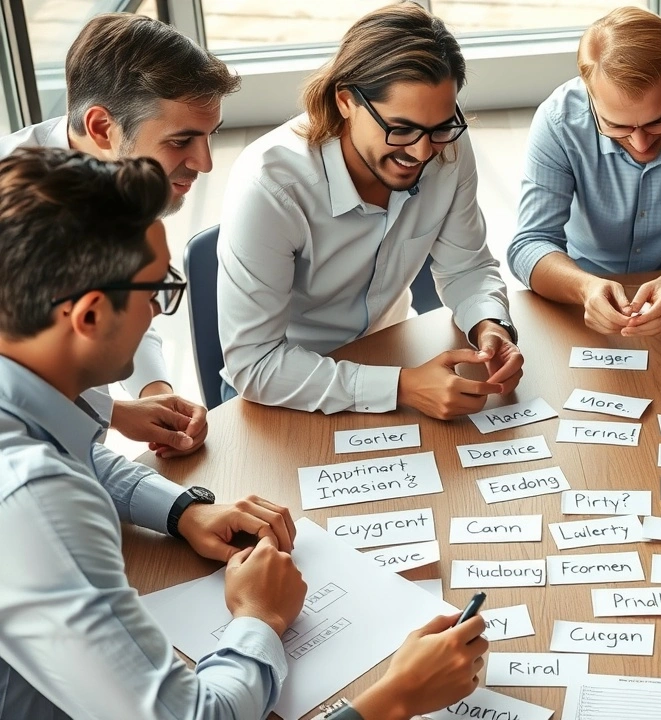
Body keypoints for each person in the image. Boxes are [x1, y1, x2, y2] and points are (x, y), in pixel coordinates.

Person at [0, 147, 492, 719]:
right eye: (156, 292)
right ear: (87, 317)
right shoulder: (38, 501)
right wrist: (273, 626)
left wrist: (181, 508)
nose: (159, 315)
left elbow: (72, 454)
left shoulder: (28, 401)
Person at [218, 4, 523, 417]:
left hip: (394, 360)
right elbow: (254, 366)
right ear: (346, 101)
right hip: (286, 392)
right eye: (400, 129)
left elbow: (465, 267)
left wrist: (491, 326)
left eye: (438, 127)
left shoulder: (444, 146)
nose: (420, 152)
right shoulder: (270, 185)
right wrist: (401, 386)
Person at [0, 12, 232, 457]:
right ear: (103, 128)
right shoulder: (15, 210)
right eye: (181, 140)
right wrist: (112, 413)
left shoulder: (123, 172)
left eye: (209, 136)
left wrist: (151, 393)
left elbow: (124, 295)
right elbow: (14, 379)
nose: (205, 163)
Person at [509, 6, 661, 338]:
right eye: (617, 126)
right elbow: (531, 242)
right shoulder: (558, 121)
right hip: (580, 293)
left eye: (658, 121)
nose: (640, 143)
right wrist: (584, 288)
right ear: (589, 92)